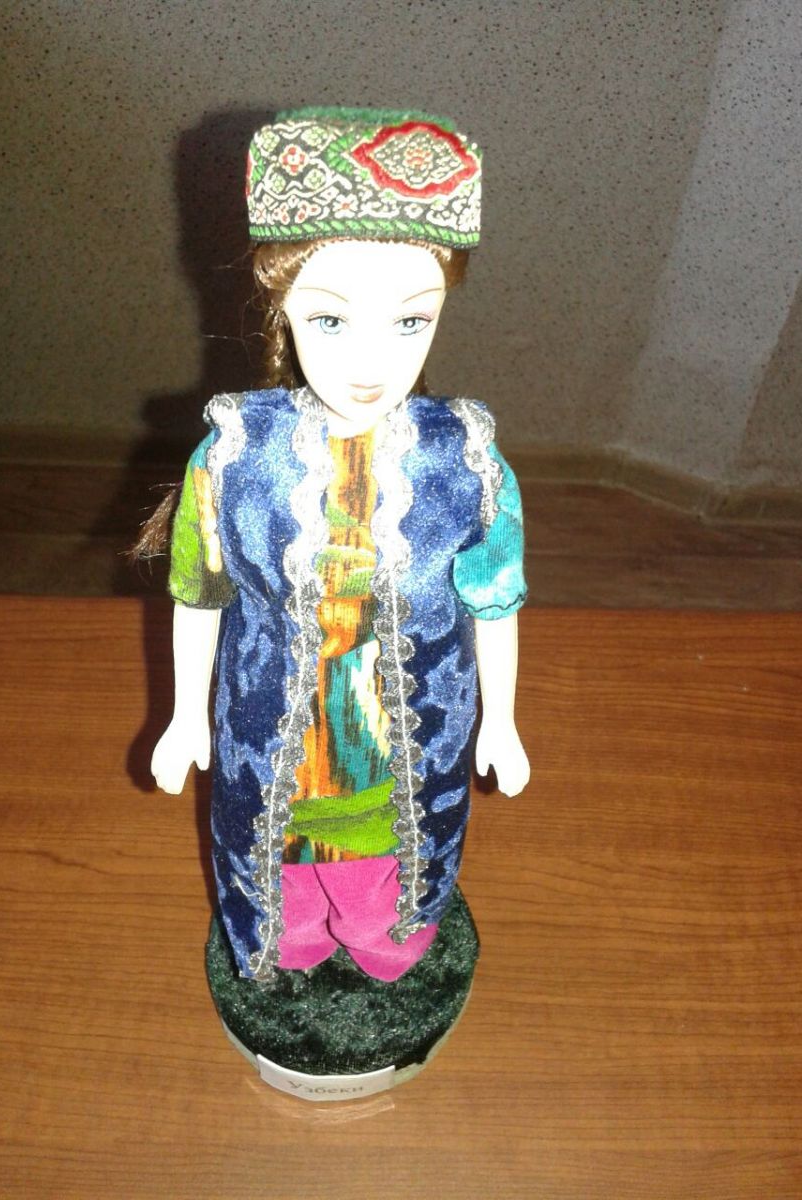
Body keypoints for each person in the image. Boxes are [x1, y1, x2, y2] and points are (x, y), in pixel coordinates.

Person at [149, 108, 529, 984]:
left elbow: (495, 602)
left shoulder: (467, 464)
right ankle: (288, 937)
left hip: (410, 743)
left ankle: (384, 930)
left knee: (390, 907)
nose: (370, 363)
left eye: (410, 322)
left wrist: (503, 721)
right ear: (281, 303)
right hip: (269, 734)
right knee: (280, 901)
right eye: (329, 320)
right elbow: (198, 594)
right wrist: (182, 715)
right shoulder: (234, 457)